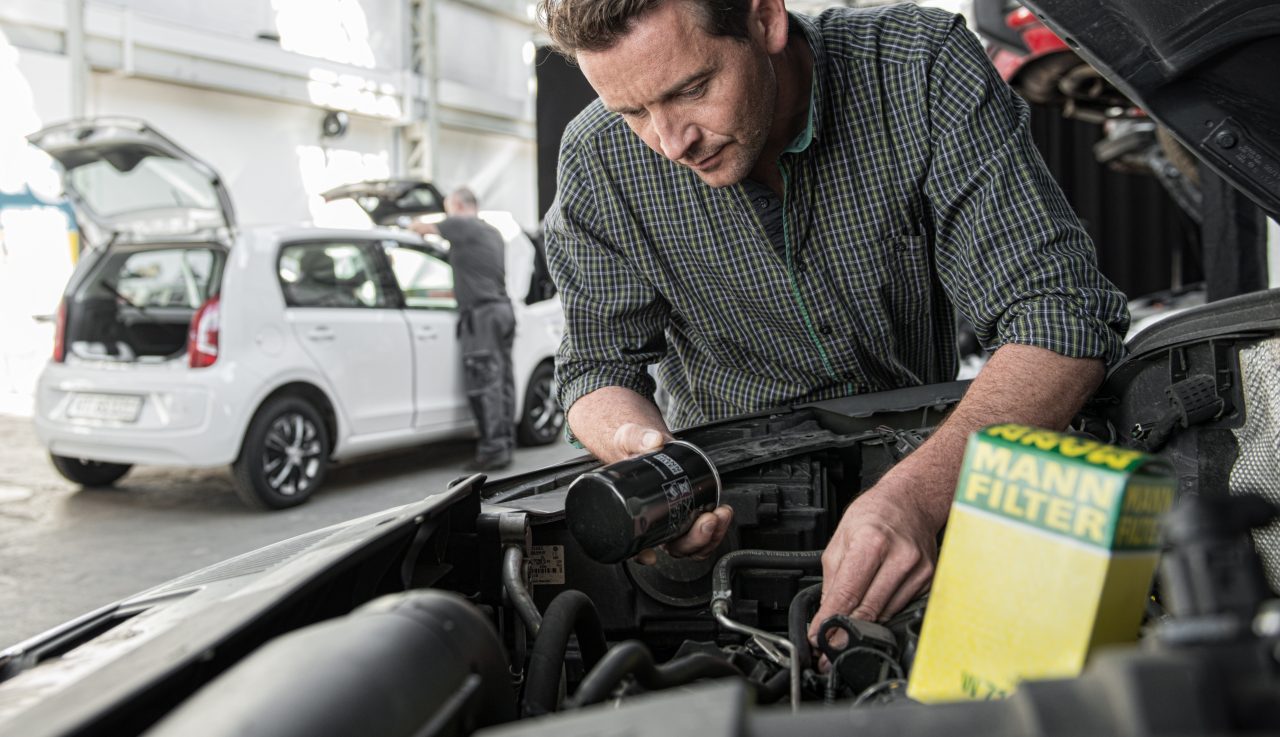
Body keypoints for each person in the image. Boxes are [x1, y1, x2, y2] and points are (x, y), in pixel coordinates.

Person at [537, 0, 1129, 639]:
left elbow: (1060, 313)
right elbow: (595, 367)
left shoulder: (916, 65)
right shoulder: (597, 160)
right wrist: (647, 463)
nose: (672, 141)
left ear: (764, 19)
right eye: (632, 112)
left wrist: (921, 496)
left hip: (943, 466)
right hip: (732, 515)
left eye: (693, 89)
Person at [412, 188, 517, 471]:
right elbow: (473, 269)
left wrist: (409, 226)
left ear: (457, 205)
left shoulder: (461, 224)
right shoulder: (491, 232)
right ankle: (505, 442)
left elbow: (420, 227)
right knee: (502, 380)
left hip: (482, 316)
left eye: (448, 209)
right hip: (501, 310)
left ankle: (494, 450)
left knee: (486, 382)